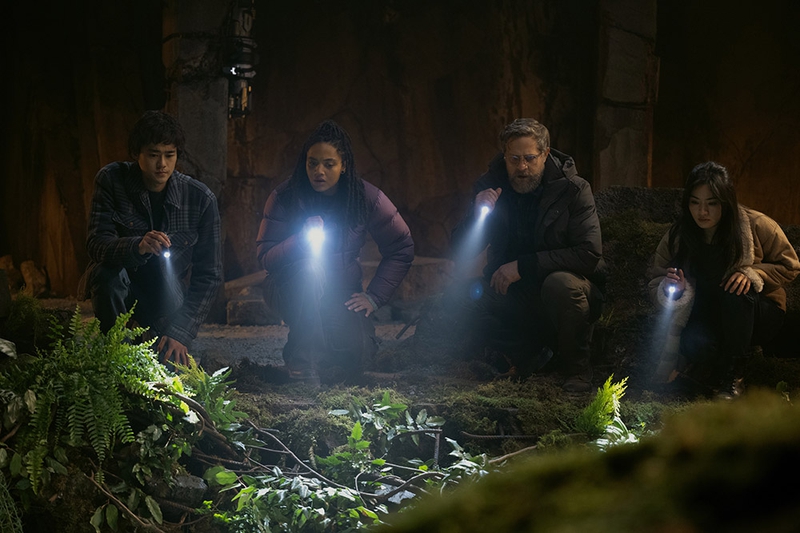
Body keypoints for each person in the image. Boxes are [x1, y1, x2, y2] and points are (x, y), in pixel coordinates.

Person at [447, 118, 606, 392]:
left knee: (560, 284)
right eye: (514, 159)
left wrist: (524, 266)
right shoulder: (491, 186)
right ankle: (531, 354)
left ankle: (577, 370)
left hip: (564, 291)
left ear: (545, 154)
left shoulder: (573, 189)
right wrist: (476, 215)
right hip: (512, 292)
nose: (522, 167)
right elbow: (460, 250)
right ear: (504, 156)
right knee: (461, 299)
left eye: (530, 158)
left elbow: (589, 253)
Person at [256, 120, 414, 381]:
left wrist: (374, 296)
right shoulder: (286, 196)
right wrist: (300, 240)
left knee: (358, 353)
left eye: (329, 164)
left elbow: (402, 246)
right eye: (312, 163)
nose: (319, 171)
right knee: (310, 270)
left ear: (344, 166)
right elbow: (266, 258)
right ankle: (302, 362)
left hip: (341, 292)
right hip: (288, 287)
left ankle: (323, 349)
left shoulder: (364, 197)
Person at [80, 110, 223, 367]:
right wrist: (137, 246)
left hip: (167, 297)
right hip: (122, 291)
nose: (162, 164)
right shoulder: (112, 180)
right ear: (137, 153)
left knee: (165, 370)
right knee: (105, 274)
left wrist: (181, 332)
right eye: (154, 155)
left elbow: (209, 275)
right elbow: (96, 243)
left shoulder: (200, 199)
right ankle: (117, 354)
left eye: (170, 155)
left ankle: (157, 340)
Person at [647, 161, 800, 397]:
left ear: (725, 202)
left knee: (736, 289)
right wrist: (674, 289)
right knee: (694, 343)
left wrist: (752, 273)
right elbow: (656, 278)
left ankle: (734, 377)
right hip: (710, 314)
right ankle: (708, 372)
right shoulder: (679, 235)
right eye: (695, 202)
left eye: (712, 203)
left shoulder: (756, 224)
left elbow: (790, 265)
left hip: (756, 313)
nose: (702, 212)